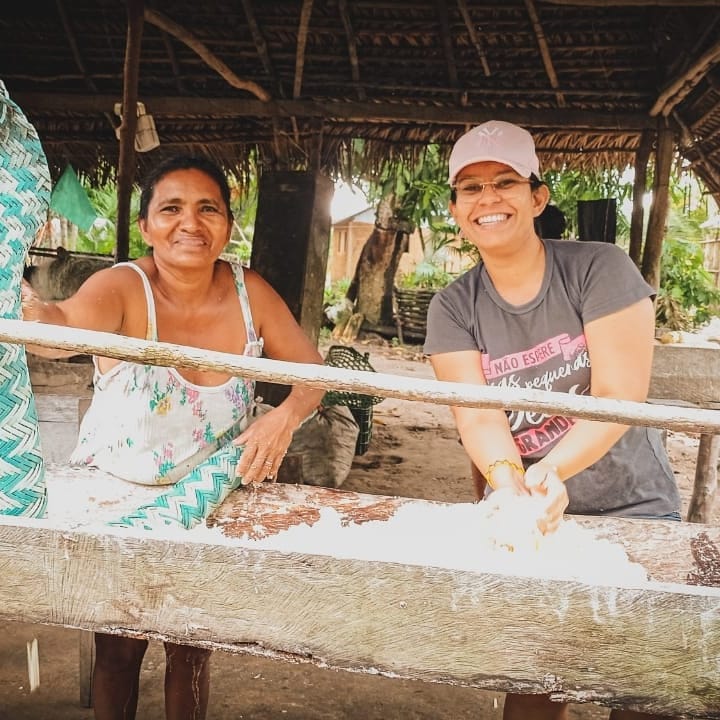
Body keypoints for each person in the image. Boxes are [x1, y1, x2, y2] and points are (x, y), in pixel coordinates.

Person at [21, 155, 325, 720]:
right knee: (118, 651)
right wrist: (30, 314)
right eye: (171, 209)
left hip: (212, 500)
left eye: (208, 208)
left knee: (191, 651)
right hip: (119, 500)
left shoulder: (248, 291)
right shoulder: (123, 287)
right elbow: (59, 331)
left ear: (229, 225)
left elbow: (313, 376)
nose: (191, 223)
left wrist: (282, 417)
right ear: (145, 227)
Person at [423, 120, 680, 720]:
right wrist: (513, 487)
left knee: (643, 679)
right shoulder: (452, 307)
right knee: (535, 676)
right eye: (470, 188)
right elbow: (481, 420)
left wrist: (550, 473)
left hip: (633, 506)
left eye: (505, 182)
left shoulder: (599, 269)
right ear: (456, 207)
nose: (488, 199)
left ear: (538, 197)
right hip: (532, 517)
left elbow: (620, 396)